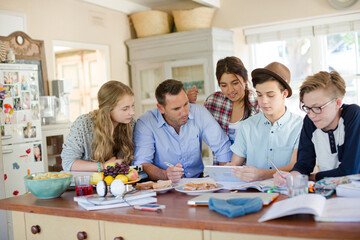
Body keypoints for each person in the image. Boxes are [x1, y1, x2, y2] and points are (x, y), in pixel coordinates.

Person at [133, 79, 232, 183]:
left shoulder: (199, 112)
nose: (184, 112)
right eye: (176, 109)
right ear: (161, 108)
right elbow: (141, 164)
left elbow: (222, 147)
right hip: (163, 186)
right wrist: (165, 174)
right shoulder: (146, 123)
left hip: (197, 182)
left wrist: (225, 181)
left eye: (185, 104)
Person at [274, 71, 360, 187]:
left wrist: (314, 176)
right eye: (307, 108)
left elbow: (349, 171)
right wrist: (291, 176)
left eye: (317, 108)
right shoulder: (310, 122)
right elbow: (304, 165)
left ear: (337, 103)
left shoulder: (353, 115)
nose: (311, 114)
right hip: (327, 189)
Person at [229, 62, 303, 182]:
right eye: (259, 95)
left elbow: (295, 166)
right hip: (254, 194)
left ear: (284, 93)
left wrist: (261, 174)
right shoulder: (247, 126)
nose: (264, 101)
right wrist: (230, 168)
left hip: (285, 192)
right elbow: (234, 165)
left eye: (270, 95)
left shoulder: (300, 126)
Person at [61, 80, 135, 172]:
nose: (132, 112)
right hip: (87, 183)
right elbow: (68, 163)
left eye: (132, 106)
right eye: (125, 109)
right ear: (108, 109)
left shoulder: (130, 123)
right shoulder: (83, 124)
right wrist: (103, 166)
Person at [188, 56, 259, 145]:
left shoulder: (258, 105)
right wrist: (190, 105)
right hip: (221, 159)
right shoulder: (213, 101)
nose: (230, 90)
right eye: (224, 85)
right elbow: (195, 129)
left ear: (245, 79)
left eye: (235, 83)